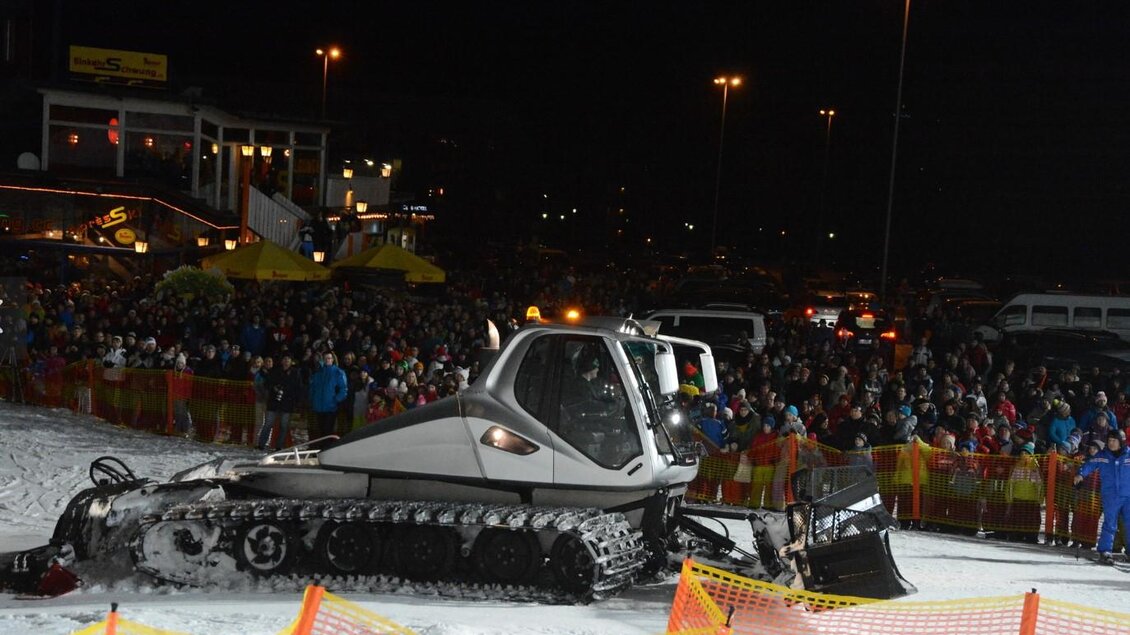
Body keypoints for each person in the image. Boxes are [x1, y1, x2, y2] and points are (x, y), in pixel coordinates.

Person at [1074, 430, 1130, 564]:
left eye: (1114, 441)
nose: (1111, 443)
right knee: (1110, 523)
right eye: (1109, 440)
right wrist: (1080, 474)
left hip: (1128, 495)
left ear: (1121, 442)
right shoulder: (1103, 455)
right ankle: (1105, 550)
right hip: (1111, 495)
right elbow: (1089, 464)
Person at [258, 355, 302, 451]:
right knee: (268, 424)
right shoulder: (275, 371)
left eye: (288, 359)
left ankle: (279, 446)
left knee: (284, 425)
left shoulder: (295, 372)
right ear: (281, 361)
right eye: (284, 359)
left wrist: (296, 402)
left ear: (291, 361)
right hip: (273, 402)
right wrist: (274, 388)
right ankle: (261, 444)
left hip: (287, 403)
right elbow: (267, 383)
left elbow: (298, 388)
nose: (286, 361)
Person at [309, 351, 349, 439]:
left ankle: (326, 448)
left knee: (328, 431)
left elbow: (344, 389)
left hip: (331, 407)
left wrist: (336, 400)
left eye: (329, 358)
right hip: (318, 406)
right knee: (320, 430)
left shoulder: (338, 372)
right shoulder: (317, 373)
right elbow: (313, 388)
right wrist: (312, 400)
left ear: (333, 359)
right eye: (325, 358)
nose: (327, 360)